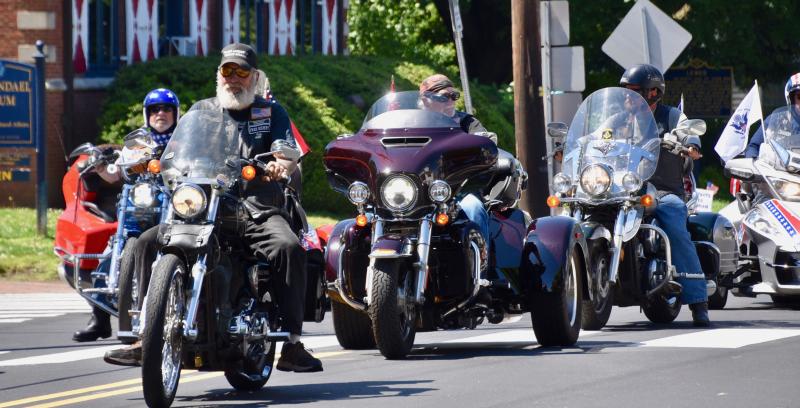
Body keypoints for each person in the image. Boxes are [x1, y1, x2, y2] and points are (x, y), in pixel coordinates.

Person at [74, 89, 180, 343]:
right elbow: (115, 174)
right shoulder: (137, 142)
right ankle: (100, 320)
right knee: (113, 252)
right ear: (147, 114)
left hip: (171, 207)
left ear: (175, 113)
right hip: (137, 206)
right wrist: (99, 164)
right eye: (154, 109)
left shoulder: (182, 140)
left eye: (166, 108)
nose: (160, 113)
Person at [619, 63, 710, 327]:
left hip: (663, 191)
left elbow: (687, 132)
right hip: (623, 191)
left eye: (634, 91)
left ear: (653, 93)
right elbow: (596, 137)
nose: (627, 97)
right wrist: (572, 147)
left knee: (673, 221)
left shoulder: (671, 117)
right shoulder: (618, 121)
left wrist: (689, 144)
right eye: (624, 91)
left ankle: (698, 301)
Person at [745, 73, 800, 158]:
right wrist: (756, 167)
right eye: (799, 97)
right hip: (777, 170)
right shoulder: (776, 120)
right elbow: (753, 147)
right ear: (791, 99)